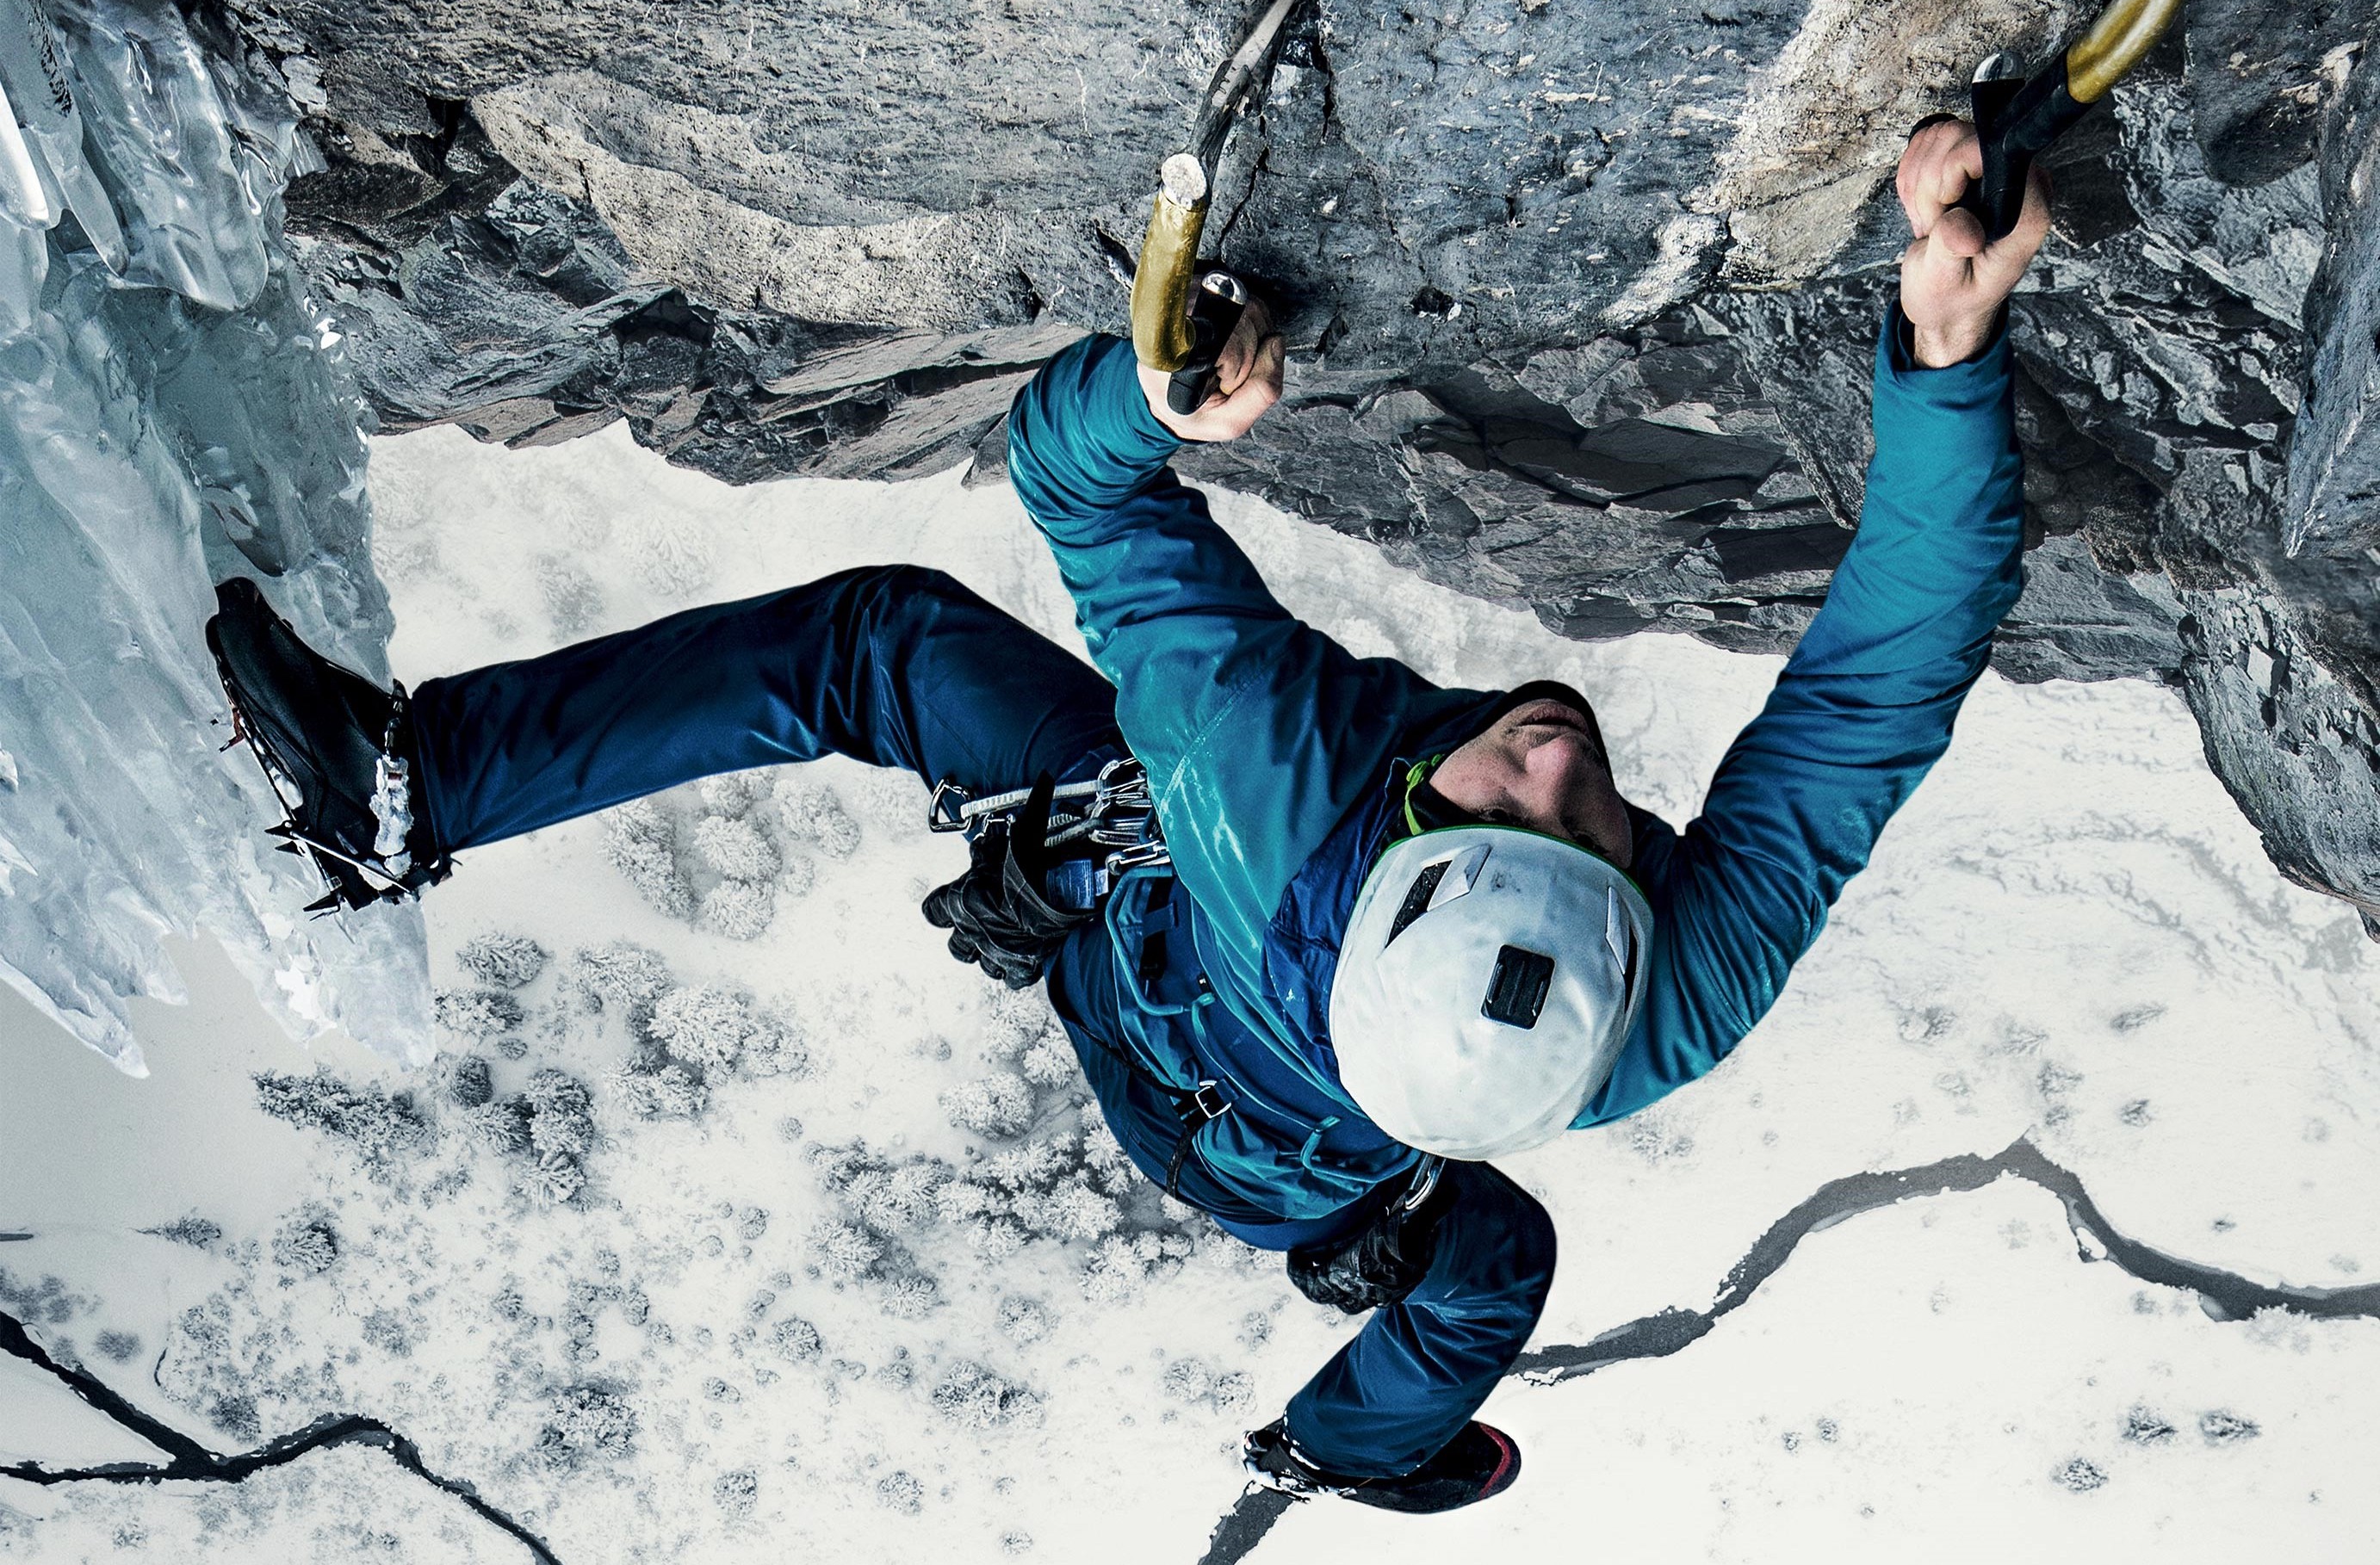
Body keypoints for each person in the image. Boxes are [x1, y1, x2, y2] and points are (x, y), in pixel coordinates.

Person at [208, 120, 2048, 1514]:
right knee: (1484, 1253)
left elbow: (1072, 487)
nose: (1559, 750)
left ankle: (414, 787)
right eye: (1584, 818)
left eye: (1508, 790)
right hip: (1221, 1074)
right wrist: (1948, 353)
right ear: (1634, 921)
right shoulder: (1666, 993)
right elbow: (1871, 698)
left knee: (878, 646)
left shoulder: (1265, 773)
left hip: (1153, 926)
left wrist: (1154, 397)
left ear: (1405, 832)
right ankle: (1350, 1443)